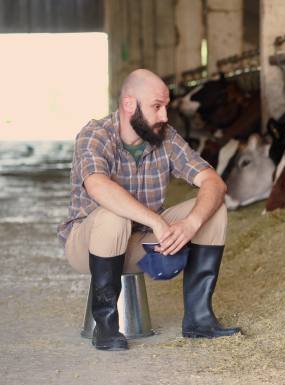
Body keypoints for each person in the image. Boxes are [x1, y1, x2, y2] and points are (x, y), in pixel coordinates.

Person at [58, 69, 241, 351]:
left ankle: (199, 320)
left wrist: (191, 223)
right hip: (89, 246)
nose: (165, 116)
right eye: (157, 107)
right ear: (130, 104)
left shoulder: (166, 137)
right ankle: (106, 326)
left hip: (142, 243)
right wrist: (156, 221)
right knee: (113, 214)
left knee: (213, 208)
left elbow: (213, 181)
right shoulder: (95, 135)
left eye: (165, 106)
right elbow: (98, 186)